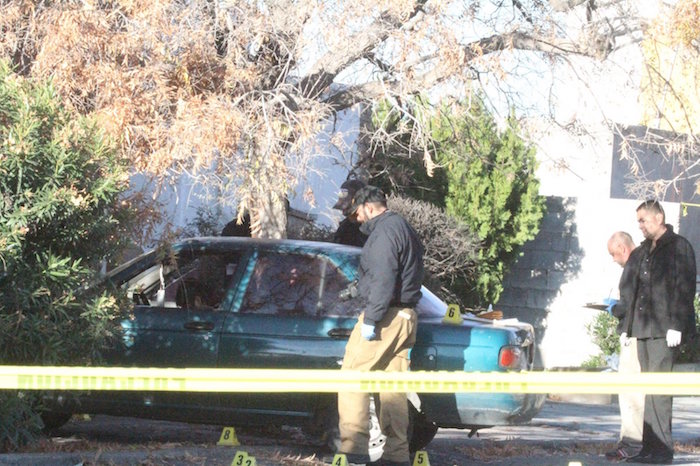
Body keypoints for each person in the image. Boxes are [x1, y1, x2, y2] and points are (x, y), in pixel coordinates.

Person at [336, 185, 424, 466]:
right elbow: (391, 274)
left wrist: (371, 320)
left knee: (352, 376)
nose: (357, 220)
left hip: (385, 317)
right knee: (392, 386)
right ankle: (397, 456)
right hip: (406, 316)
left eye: (357, 214)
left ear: (369, 208)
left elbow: (385, 279)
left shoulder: (384, 232)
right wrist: (357, 288)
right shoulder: (402, 228)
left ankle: (353, 450)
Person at [621, 200, 696, 464]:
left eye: (643, 220)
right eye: (638, 221)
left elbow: (685, 287)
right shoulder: (643, 251)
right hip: (643, 328)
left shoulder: (678, 247)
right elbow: (629, 287)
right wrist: (626, 324)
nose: (639, 226)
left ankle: (662, 450)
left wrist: (677, 323)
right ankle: (649, 447)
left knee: (660, 389)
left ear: (659, 217)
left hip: (665, 330)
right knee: (647, 388)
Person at [604, 231, 644, 461]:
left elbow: (628, 304)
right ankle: (631, 441)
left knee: (630, 392)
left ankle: (631, 443)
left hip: (634, 334)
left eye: (613, 254)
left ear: (623, 248)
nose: (613, 259)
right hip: (637, 332)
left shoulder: (633, 266)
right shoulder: (642, 263)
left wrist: (613, 309)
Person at [332, 179, 368, 247]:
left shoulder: (372, 228)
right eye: (343, 209)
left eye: (347, 209)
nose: (343, 213)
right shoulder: (345, 227)